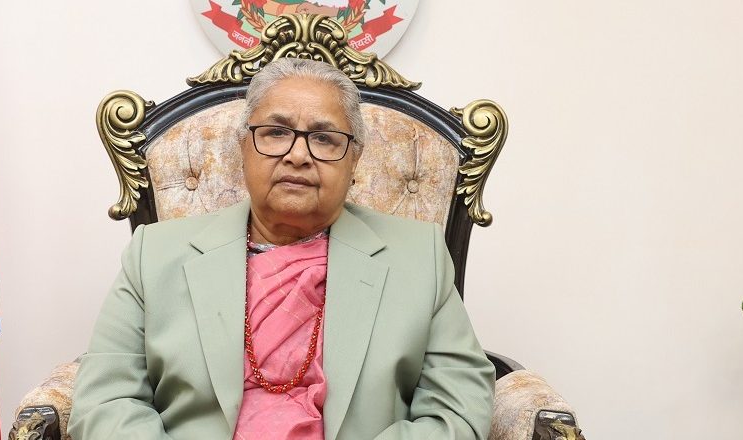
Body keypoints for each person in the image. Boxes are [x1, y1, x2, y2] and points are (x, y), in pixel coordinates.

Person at [68, 58, 495, 439]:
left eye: (324, 139)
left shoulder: (419, 258)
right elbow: (105, 400)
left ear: (355, 160)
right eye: (276, 132)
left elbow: (458, 407)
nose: (298, 155)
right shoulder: (155, 255)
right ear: (243, 147)